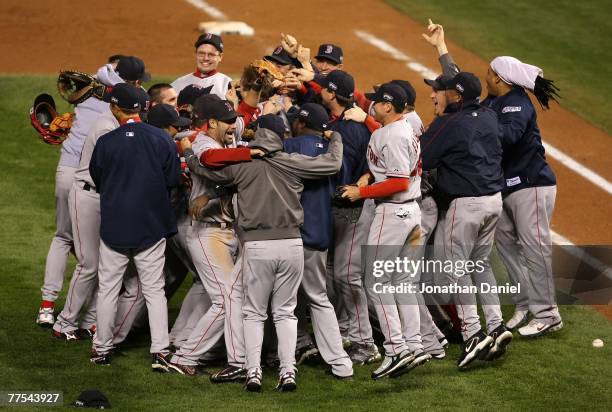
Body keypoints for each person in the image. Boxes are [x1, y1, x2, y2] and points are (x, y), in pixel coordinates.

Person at [180, 114, 343, 392]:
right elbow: (333, 162)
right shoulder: (293, 163)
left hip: (257, 248)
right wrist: (336, 136)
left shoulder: (243, 167)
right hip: (292, 245)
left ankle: (253, 372)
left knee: (254, 313)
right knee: (286, 313)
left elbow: (205, 171)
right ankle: (288, 371)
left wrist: (187, 152)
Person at [36, 55, 142, 327]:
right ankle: (90, 316)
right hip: (93, 177)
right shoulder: (129, 98)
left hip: (66, 170)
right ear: (135, 80)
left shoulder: (94, 83)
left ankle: (47, 306)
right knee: (97, 250)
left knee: (63, 237)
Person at [420, 72, 513, 368]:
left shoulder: (449, 123)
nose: (437, 94)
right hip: (493, 201)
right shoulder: (487, 115)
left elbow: (423, 156)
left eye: (442, 90)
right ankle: (496, 326)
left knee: (454, 269)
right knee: (479, 264)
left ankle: (473, 333)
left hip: (467, 204)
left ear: (456, 96)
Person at [88, 83, 181, 372]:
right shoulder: (161, 139)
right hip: (151, 226)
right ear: (141, 109)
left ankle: (101, 349)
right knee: (154, 290)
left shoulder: (106, 141)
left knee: (108, 289)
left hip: (115, 226)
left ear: (116, 108)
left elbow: (98, 179)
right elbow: (173, 180)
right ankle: (160, 351)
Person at [342, 83, 431, 379]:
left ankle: (396, 349)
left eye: (377, 102)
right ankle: (415, 345)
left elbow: (398, 182)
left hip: (393, 213)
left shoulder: (392, 135)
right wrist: (370, 176)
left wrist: (359, 193)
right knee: (403, 281)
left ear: (389, 107)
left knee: (376, 282)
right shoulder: (404, 127)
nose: (372, 105)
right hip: (413, 213)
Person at [484, 56, 561, 337]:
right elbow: (468, 106)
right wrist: (442, 50)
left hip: (532, 185)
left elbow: (509, 135)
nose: (486, 77)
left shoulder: (517, 103)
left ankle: (548, 314)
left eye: (489, 74)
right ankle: (525, 303)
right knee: (506, 244)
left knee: (534, 248)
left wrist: (482, 125)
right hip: (505, 187)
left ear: (500, 80)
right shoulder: (492, 101)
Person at [284, 103, 353, 379]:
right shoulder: (336, 154)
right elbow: (342, 186)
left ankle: (278, 359)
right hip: (320, 234)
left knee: (279, 302)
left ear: (300, 124)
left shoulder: (289, 146)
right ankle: (340, 362)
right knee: (318, 298)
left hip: (288, 235)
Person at [318, 70, 381, 365]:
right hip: (340, 209)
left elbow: (345, 172)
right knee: (332, 270)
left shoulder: (350, 129)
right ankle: (345, 328)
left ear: (332, 95)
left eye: (324, 89)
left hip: (353, 207)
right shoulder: (340, 124)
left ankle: (366, 342)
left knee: (347, 275)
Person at [171, 33, 232, 98]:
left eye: (211, 54)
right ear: (195, 54)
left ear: (220, 57)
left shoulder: (227, 85)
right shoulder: (178, 84)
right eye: (201, 53)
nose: (206, 58)